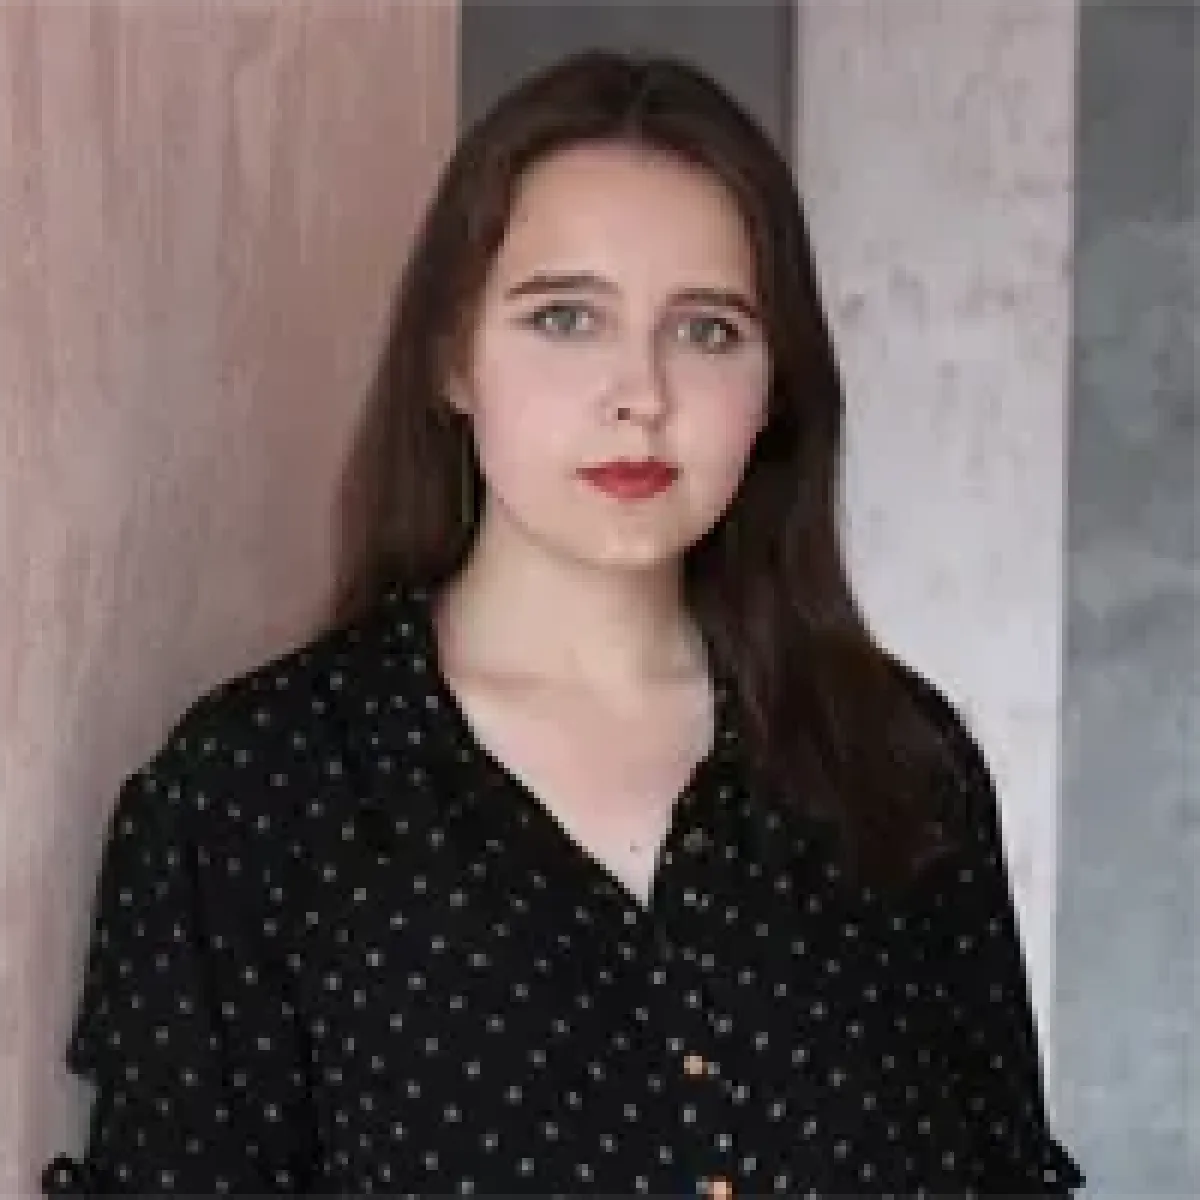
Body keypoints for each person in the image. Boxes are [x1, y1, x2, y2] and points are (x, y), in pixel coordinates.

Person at [42, 50, 1084, 1199]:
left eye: (707, 330)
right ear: (453, 356)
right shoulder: (262, 795)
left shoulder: (900, 766)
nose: (641, 394)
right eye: (567, 318)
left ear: (775, 385)